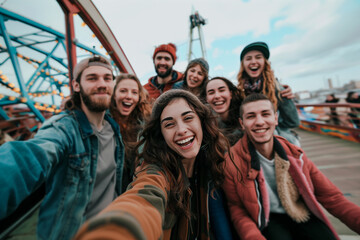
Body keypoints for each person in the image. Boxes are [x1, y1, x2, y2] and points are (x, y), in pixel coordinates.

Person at [75, 89, 233, 240]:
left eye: (188, 118)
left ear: (201, 121)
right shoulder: (156, 171)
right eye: (169, 124)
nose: (181, 130)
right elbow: (142, 200)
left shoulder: (211, 162)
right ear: (161, 134)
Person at [0, 56, 126, 240]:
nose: (102, 84)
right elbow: (28, 158)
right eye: (92, 78)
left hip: (113, 229)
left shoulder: (114, 129)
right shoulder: (63, 128)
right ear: (76, 86)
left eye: (108, 78)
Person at [222, 93, 360, 240]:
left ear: (275, 118)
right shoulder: (231, 161)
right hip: (267, 218)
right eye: (251, 116)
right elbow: (238, 210)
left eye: (265, 114)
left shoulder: (295, 154)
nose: (259, 122)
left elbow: (332, 197)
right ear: (242, 123)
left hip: (299, 211)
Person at [237, 41, 300, 145]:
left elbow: (293, 121)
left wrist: (271, 126)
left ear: (265, 62)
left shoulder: (278, 88)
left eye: (258, 57)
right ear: (243, 64)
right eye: (248, 58)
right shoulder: (239, 92)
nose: (253, 61)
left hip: (276, 140)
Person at [109, 73, 152, 191]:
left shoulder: (145, 126)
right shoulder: (103, 124)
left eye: (134, 92)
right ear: (113, 95)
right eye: (123, 91)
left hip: (135, 192)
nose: (129, 96)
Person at [202, 76, 243, 146]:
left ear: (231, 94)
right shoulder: (202, 127)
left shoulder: (245, 119)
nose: (217, 96)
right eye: (211, 92)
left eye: (222, 90)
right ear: (207, 99)